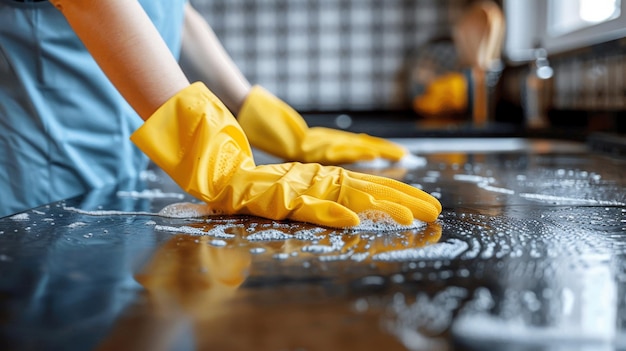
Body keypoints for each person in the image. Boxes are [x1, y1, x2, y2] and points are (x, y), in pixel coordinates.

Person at [0, 0, 441, 227]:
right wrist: (220, 164)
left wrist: (261, 115)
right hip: (36, 188)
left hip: (115, 178)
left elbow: (174, 12)